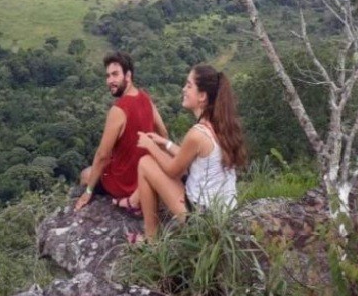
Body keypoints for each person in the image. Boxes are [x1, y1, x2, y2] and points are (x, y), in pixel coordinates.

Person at [133, 64, 247, 240]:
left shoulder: (197, 134)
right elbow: (192, 158)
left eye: (188, 85)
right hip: (223, 215)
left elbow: (173, 169)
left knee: (145, 163)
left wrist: (150, 145)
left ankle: (151, 238)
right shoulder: (221, 125)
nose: (183, 89)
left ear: (202, 96)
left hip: (202, 219)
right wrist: (167, 143)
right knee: (163, 165)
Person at [75, 51, 167, 211]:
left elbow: (102, 155)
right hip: (144, 177)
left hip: (124, 182)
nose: (110, 81)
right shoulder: (146, 98)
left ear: (128, 75)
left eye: (115, 75)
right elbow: (163, 134)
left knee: (85, 174)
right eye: (108, 76)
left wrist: (88, 191)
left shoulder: (118, 110)